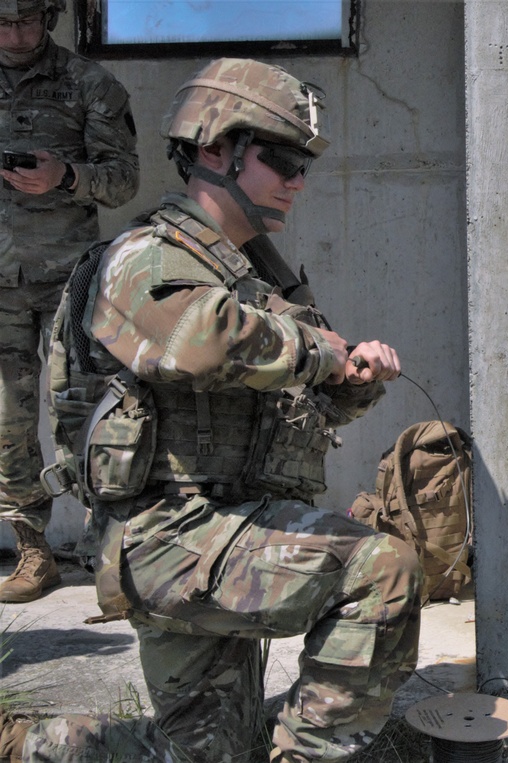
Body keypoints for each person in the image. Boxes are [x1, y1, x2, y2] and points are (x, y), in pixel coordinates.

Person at [1, 58, 422, 763]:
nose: (297, 179)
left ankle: (33, 747)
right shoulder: (143, 258)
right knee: (381, 568)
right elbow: (197, 342)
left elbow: (300, 402)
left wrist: (353, 377)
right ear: (213, 148)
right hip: (168, 537)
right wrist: (318, 348)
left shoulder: (255, 278)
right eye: (282, 158)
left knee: (210, 752)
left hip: (226, 535)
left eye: (303, 164)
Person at [0, 0, 139, 602]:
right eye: (2, 22)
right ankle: (33, 550)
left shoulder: (89, 84)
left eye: (27, 21)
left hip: (65, 279)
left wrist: (67, 176)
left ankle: (102, 550)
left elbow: (125, 179)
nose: (15, 34)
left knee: (80, 410)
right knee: (7, 419)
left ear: (50, 17)